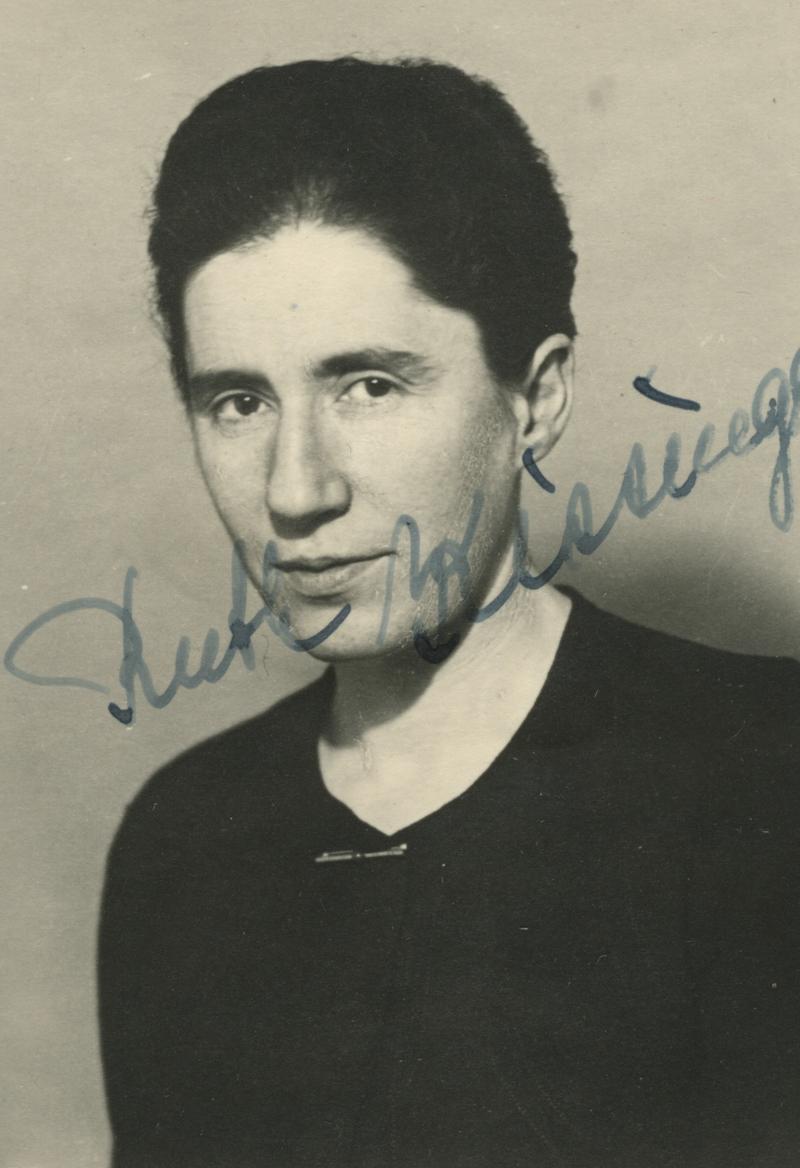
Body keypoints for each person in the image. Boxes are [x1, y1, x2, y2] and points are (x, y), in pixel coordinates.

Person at [98, 57, 800, 1167]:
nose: (296, 489)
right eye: (238, 402)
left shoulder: (765, 771)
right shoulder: (181, 843)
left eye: (369, 386)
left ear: (537, 398)